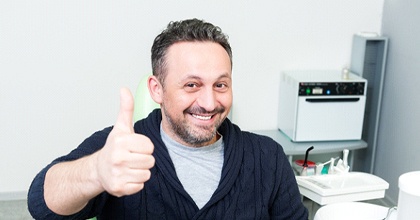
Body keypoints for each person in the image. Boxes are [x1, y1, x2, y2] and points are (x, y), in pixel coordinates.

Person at [28, 18, 308, 219]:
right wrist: (96, 172)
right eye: (192, 85)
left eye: (220, 85)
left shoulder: (266, 157)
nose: (209, 103)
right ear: (156, 89)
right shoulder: (122, 150)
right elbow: (41, 204)